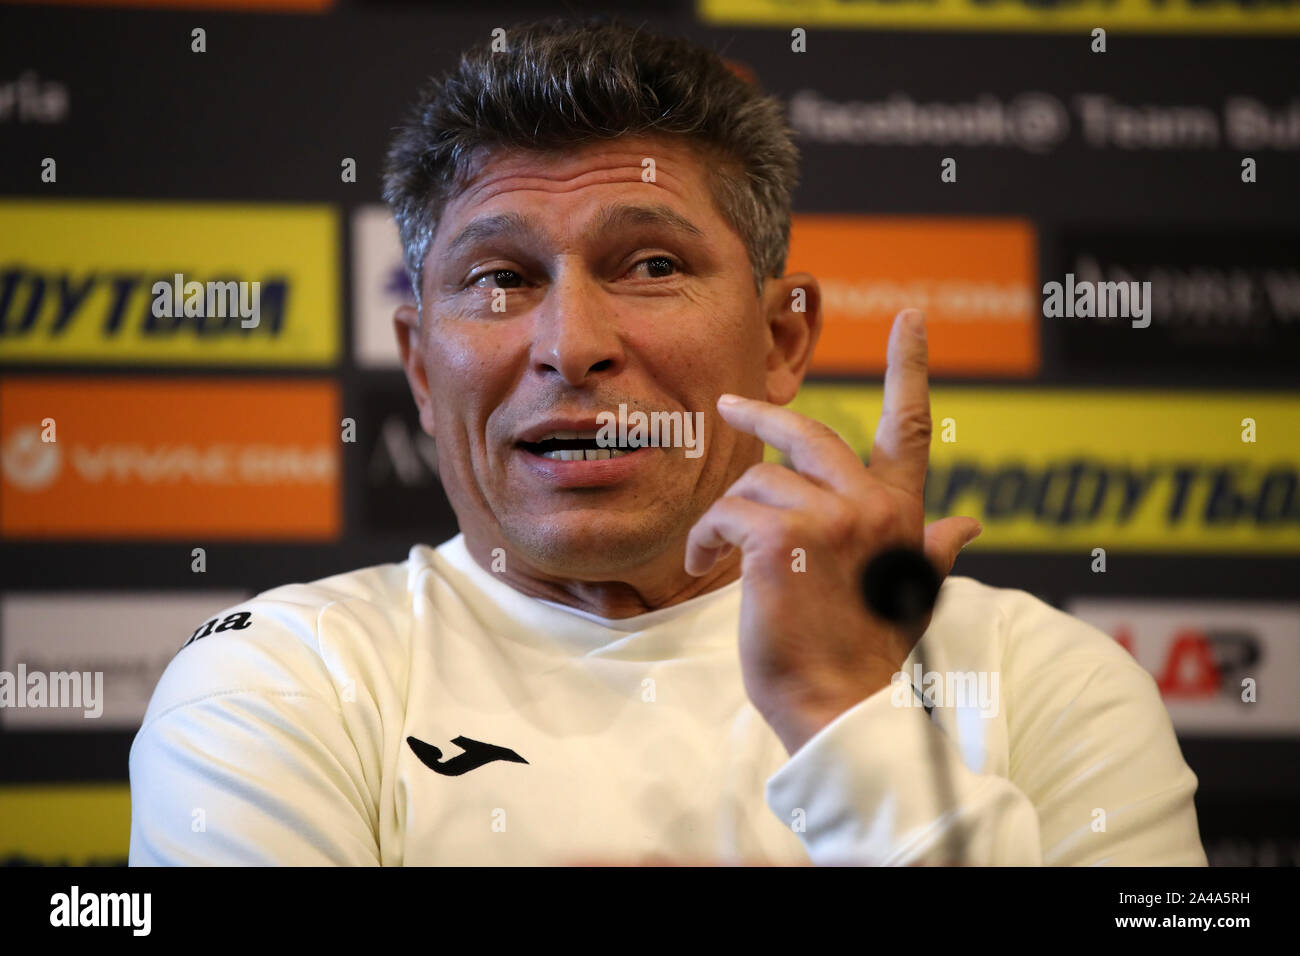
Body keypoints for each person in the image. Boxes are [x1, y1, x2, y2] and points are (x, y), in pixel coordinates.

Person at [128, 17, 1206, 866]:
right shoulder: (276, 678)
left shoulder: (1042, 677)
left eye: (649, 266)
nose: (573, 345)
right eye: (501, 277)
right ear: (418, 362)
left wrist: (848, 722)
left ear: (782, 340)